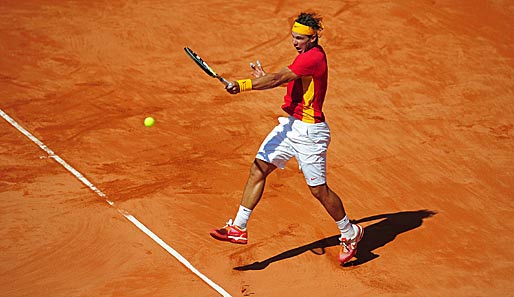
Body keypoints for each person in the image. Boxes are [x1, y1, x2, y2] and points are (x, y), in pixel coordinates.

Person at [209, 12, 363, 264]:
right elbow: (290, 81)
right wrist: (265, 78)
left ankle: (350, 232)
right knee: (258, 168)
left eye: (300, 38)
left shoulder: (313, 57)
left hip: (310, 133)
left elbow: (280, 77)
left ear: (313, 39)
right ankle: (238, 227)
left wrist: (244, 85)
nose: (295, 42)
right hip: (291, 126)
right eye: (293, 37)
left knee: (318, 191)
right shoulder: (305, 55)